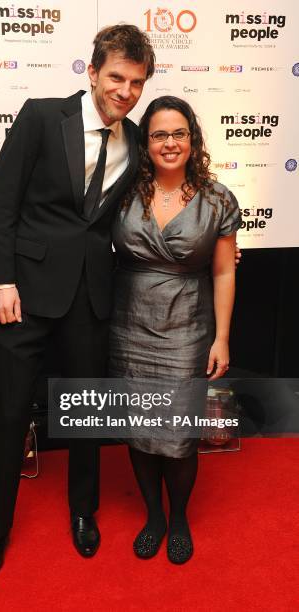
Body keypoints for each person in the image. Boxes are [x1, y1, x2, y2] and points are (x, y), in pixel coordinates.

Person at [0, 24, 156, 580]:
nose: (125, 91)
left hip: (90, 294)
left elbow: (168, 192)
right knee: (10, 413)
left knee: (84, 414)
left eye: (137, 83)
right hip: (24, 291)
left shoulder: (137, 139)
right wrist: (1, 281)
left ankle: (84, 512)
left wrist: (218, 245)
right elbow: (1, 200)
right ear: (93, 71)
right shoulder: (39, 116)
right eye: (117, 78)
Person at [109, 96, 241, 563]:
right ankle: (154, 515)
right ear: (145, 143)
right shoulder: (121, 192)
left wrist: (221, 337)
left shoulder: (218, 197)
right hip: (129, 325)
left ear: (193, 139)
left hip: (188, 324)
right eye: (159, 134)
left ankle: (179, 515)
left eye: (178, 133)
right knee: (140, 430)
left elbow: (224, 272)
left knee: (179, 436)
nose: (170, 143)